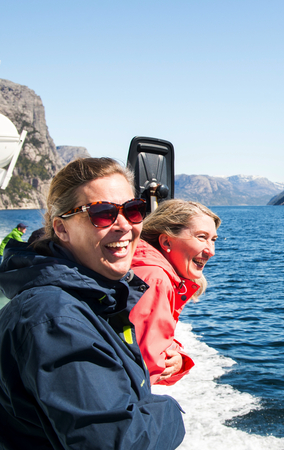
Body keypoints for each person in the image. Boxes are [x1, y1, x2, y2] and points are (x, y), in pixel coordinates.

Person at [0, 157, 185, 449]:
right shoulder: (54, 319)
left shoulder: (92, 299)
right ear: (61, 230)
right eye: (102, 214)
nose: (124, 226)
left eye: (134, 210)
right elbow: (119, 443)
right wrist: (171, 411)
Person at [130, 199, 220, 385]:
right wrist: (176, 360)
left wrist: (175, 356)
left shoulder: (144, 268)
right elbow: (145, 367)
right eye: (201, 237)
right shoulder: (155, 280)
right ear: (166, 241)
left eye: (213, 240)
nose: (211, 251)